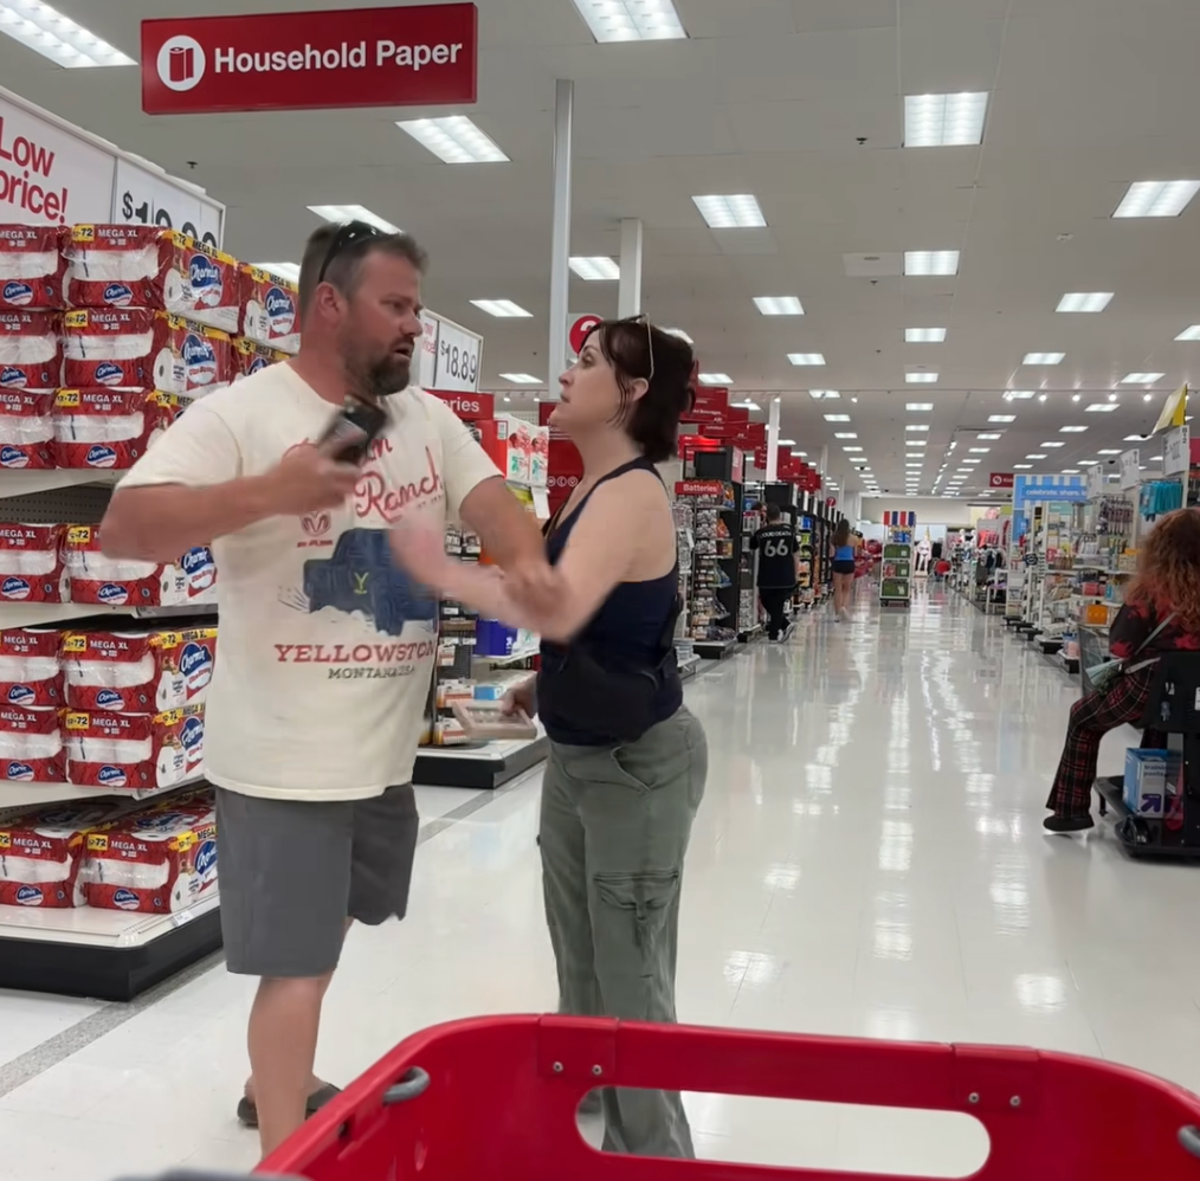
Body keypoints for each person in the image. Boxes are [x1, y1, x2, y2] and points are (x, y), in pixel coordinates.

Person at [97, 220, 549, 1157]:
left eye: (418, 309)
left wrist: (527, 558)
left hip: (382, 755)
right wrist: (270, 492)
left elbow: (489, 495)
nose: (412, 327)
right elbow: (126, 527)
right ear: (329, 304)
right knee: (297, 963)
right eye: (396, 305)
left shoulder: (423, 415)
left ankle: (281, 1079)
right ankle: (286, 1151)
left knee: (329, 935)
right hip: (284, 758)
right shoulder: (241, 413)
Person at [390, 315, 708, 1160]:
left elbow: (560, 605)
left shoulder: (635, 489)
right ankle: (591, 1121)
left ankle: (658, 1156)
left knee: (632, 967)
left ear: (632, 392)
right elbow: (602, 624)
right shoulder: (590, 488)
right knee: (583, 949)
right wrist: (544, 681)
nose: (568, 373)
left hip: (636, 764)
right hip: (581, 752)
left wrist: (434, 568)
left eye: (590, 362)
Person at [1044, 508, 1200, 833]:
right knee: (1170, 728)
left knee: (1083, 718)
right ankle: (1165, 801)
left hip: (1148, 689)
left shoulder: (1150, 593)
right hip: (1195, 698)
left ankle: (1071, 810)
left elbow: (1121, 648)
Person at [750, 503, 799, 641]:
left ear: (767, 517)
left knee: (768, 601)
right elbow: (796, 554)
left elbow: (751, 546)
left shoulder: (761, 533)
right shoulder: (790, 532)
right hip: (786, 575)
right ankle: (784, 625)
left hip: (767, 575)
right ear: (779, 515)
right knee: (777, 604)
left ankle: (774, 634)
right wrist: (796, 573)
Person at [830, 519, 856, 621]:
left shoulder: (834, 538)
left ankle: (837, 614)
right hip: (849, 563)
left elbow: (832, 553)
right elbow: (855, 553)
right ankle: (844, 608)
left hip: (838, 563)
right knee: (847, 588)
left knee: (838, 589)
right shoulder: (853, 538)